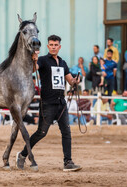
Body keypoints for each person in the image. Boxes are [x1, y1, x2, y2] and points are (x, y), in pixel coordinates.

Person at [16, 35, 81, 172]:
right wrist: (33, 59)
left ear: (59, 47)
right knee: (41, 132)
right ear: (47, 46)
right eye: (51, 44)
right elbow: (33, 69)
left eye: (55, 45)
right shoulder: (43, 60)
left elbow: (70, 81)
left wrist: (76, 81)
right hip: (47, 103)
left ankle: (68, 162)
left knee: (66, 132)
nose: (53, 47)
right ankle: (22, 154)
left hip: (61, 103)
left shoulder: (62, 63)